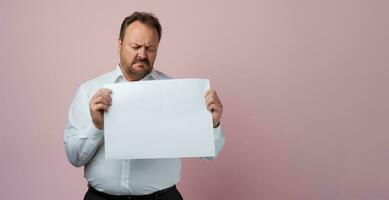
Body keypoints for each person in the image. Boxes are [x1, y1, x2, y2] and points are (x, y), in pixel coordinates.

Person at [64, 11, 225, 200]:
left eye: (150, 48)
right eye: (135, 46)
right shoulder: (89, 91)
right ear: (120, 45)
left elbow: (209, 154)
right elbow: (74, 158)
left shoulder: (178, 92)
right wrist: (97, 127)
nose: (142, 54)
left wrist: (212, 124)